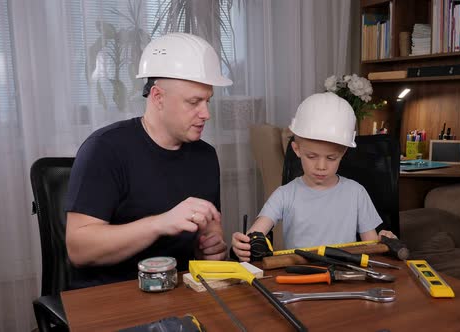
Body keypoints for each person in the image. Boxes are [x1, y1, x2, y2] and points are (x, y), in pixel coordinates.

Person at [65, 33, 232, 288]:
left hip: (180, 293)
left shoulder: (206, 157)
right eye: (194, 102)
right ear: (157, 97)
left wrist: (211, 247)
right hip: (112, 299)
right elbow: (78, 250)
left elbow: (210, 232)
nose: (206, 114)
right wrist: (159, 223)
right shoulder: (104, 149)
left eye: (207, 100)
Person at [232, 92, 396, 262]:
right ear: (297, 150)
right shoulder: (284, 194)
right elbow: (255, 234)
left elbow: (371, 248)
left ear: (343, 153)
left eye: (331, 158)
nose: (321, 166)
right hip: (300, 275)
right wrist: (243, 245)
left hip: (346, 275)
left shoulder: (356, 193)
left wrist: (383, 241)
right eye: (312, 156)